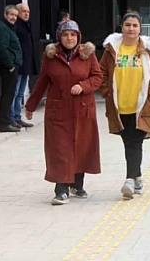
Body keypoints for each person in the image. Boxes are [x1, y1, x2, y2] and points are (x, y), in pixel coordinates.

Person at [25, 20, 103, 205]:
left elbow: (98, 77)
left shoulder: (87, 55)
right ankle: (61, 189)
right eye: (65, 35)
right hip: (59, 110)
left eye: (73, 35)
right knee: (60, 149)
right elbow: (42, 81)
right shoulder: (51, 56)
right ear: (59, 37)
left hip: (82, 109)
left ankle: (77, 183)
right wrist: (31, 105)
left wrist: (83, 86)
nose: (69, 38)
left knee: (81, 146)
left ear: (78, 37)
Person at [100, 12, 150, 200]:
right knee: (128, 142)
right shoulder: (112, 49)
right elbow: (101, 72)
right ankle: (137, 177)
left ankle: (129, 179)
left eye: (135, 25)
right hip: (120, 106)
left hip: (142, 107)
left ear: (140, 28)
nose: (131, 29)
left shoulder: (149, 50)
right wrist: (106, 93)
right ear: (122, 27)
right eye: (128, 25)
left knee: (135, 142)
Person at [0, 5, 23, 133]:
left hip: (11, 65)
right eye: (11, 15)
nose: (14, 18)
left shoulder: (8, 28)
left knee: (10, 94)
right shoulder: (3, 28)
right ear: (5, 15)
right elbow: (2, 48)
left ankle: (8, 119)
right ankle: (3, 123)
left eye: (16, 16)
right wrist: (10, 64)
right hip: (7, 67)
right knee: (7, 94)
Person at [13, 3, 37, 129]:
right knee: (15, 92)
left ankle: (17, 116)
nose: (26, 14)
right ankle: (12, 117)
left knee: (21, 93)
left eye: (28, 11)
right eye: (23, 11)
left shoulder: (27, 26)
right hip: (18, 65)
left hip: (26, 64)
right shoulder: (16, 27)